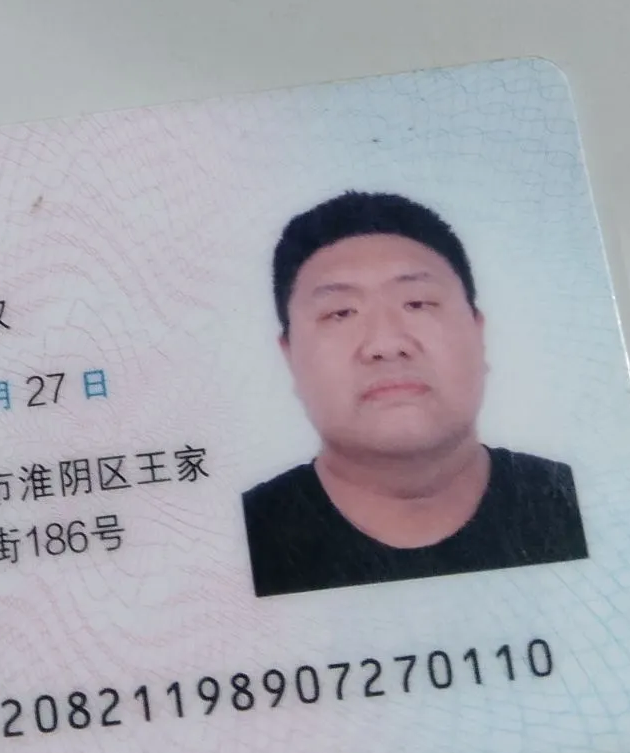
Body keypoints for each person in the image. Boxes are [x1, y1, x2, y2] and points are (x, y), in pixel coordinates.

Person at [242, 192, 587, 596]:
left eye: (418, 303)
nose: (386, 344)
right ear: (289, 355)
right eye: (340, 313)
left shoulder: (574, 503)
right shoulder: (241, 540)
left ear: (478, 332)